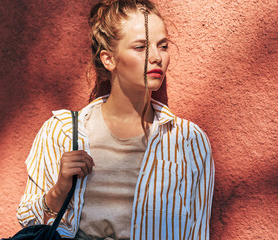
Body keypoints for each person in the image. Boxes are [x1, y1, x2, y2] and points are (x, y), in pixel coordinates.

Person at [16, 0, 215, 239]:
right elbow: (29, 221)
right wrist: (59, 190)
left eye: (162, 46)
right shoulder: (63, 133)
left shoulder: (189, 141)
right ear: (109, 59)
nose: (157, 57)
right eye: (140, 47)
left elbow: (197, 232)